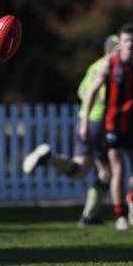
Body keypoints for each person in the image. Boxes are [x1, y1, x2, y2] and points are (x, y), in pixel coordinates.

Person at [22, 34, 120, 226]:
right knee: (107, 172)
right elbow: (102, 97)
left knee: (80, 170)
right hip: (100, 122)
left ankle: (49, 159)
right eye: (118, 49)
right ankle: (89, 216)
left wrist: (87, 114)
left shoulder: (94, 66)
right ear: (110, 50)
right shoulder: (109, 68)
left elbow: (82, 92)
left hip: (84, 120)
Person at [80, 23, 133, 231]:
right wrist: (85, 121)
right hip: (113, 125)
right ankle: (120, 215)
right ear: (120, 43)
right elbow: (92, 92)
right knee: (118, 170)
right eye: (126, 40)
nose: (129, 44)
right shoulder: (110, 65)